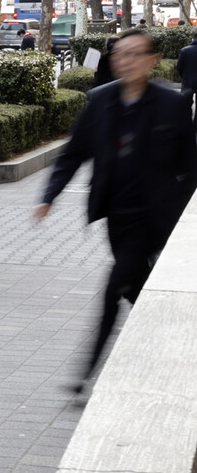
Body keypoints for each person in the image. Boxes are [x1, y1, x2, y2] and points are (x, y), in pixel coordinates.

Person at [35, 29, 197, 390]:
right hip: (116, 217)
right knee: (136, 288)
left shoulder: (171, 104)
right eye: (122, 54)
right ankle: (173, 344)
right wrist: (49, 195)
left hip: (156, 218)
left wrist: (182, 214)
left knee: (113, 289)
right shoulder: (100, 101)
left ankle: (86, 372)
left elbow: (191, 165)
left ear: (153, 60)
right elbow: (73, 154)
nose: (128, 60)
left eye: (136, 54)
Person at [175, 29, 197, 123]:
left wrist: (184, 76)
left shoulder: (185, 50)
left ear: (193, 39)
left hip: (188, 81)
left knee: (186, 104)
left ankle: (186, 123)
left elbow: (179, 67)